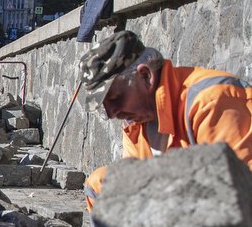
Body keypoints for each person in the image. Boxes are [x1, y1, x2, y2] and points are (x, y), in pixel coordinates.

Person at [79, 30, 252, 211]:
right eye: (106, 107)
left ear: (146, 76)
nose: (113, 113)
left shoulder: (212, 102)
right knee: (100, 185)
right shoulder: (135, 122)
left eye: (115, 99)